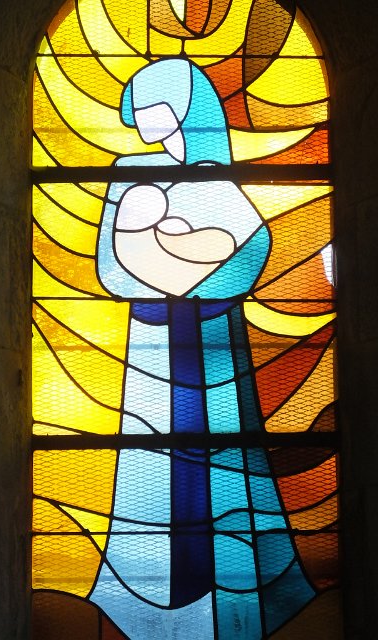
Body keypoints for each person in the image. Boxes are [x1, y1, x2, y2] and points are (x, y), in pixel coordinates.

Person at [91, 59, 314, 639]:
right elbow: (110, 268)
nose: (143, 121)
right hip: (152, 344)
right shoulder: (129, 171)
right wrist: (159, 279)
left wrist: (196, 284)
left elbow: (253, 246)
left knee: (227, 463)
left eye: (153, 106)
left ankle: (240, 586)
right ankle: (140, 592)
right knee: (151, 462)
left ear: (187, 109)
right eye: (137, 110)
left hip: (214, 340)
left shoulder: (216, 177)